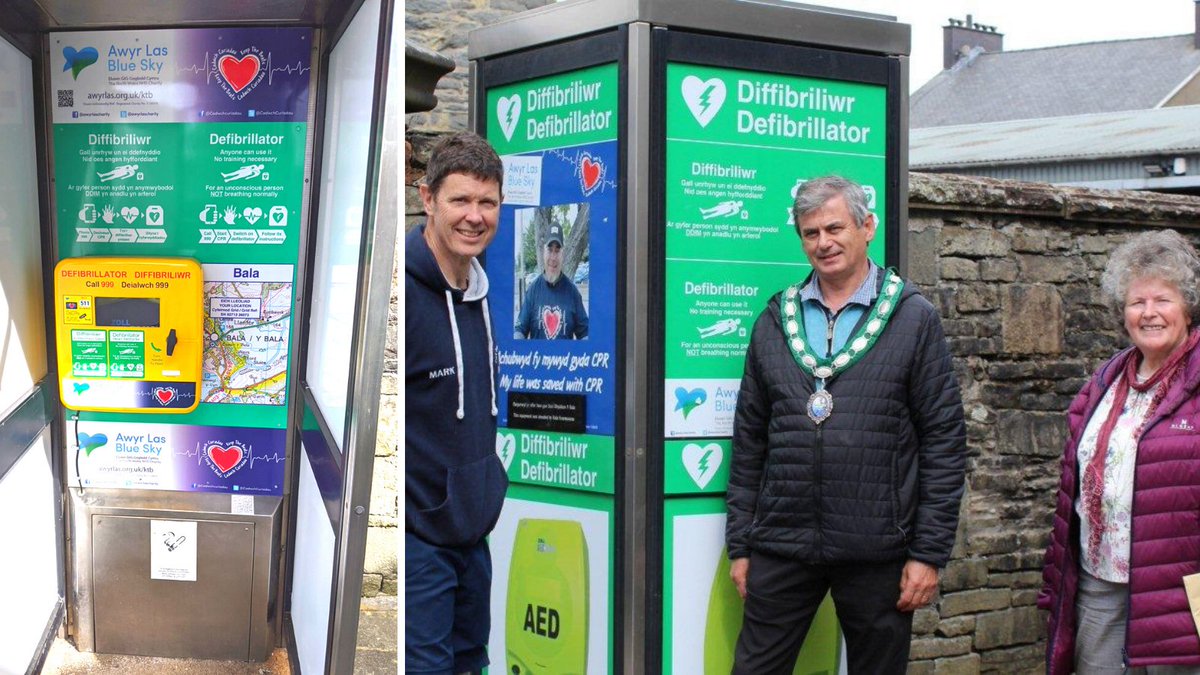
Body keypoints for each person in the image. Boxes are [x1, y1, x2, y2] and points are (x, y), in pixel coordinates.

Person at [725, 175, 967, 674]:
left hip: (878, 546)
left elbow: (944, 442)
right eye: (810, 233)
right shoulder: (774, 320)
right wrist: (741, 544)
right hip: (782, 543)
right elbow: (750, 441)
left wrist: (928, 554)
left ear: (867, 227)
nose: (824, 243)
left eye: (834, 228)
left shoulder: (912, 318)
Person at [1040, 229, 1200, 674]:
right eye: (1137, 302)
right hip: (1101, 579)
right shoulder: (1105, 381)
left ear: (1187, 306)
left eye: (1162, 300)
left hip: (1182, 593)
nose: (1149, 313)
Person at [406, 131, 509, 675]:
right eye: (460, 200)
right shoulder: (399, 291)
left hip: (473, 532)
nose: (475, 216)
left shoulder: (482, 292)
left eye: (487, 202)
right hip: (420, 540)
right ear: (427, 199)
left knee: (472, 663)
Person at [513, 223, 589, 339]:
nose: (553, 258)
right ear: (544, 252)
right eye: (550, 250)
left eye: (557, 251)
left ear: (562, 254)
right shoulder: (533, 291)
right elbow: (520, 330)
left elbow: (585, 333)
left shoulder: (573, 293)